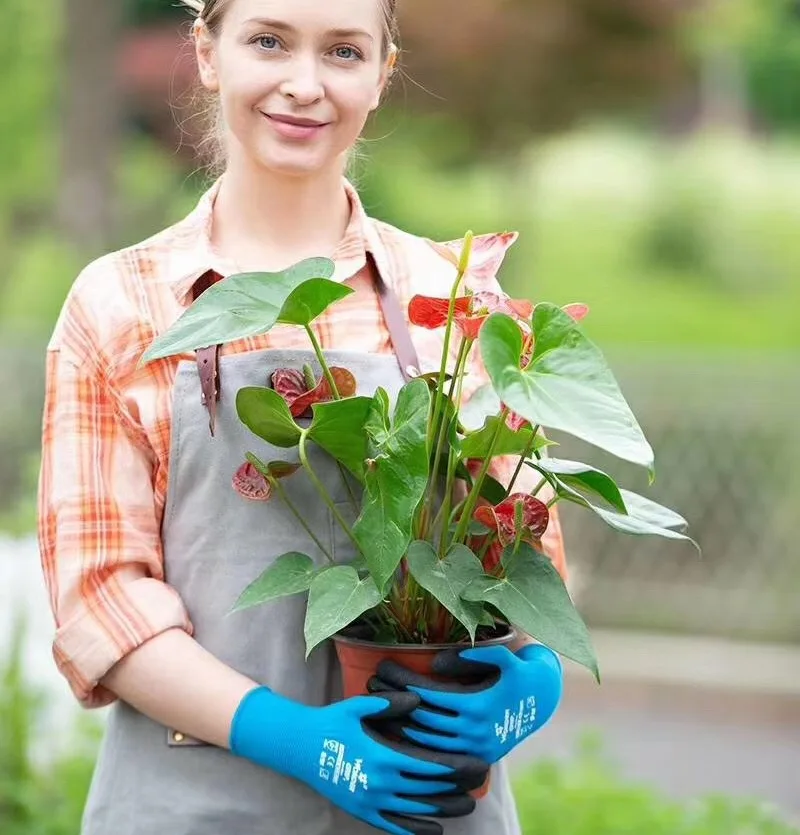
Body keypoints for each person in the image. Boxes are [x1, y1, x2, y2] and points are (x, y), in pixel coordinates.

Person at [37, 1, 567, 833]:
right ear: (208, 53)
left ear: (383, 75)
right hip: (195, 804)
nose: (304, 84)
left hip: (428, 798)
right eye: (269, 41)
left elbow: (524, 547)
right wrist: (294, 738)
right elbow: (102, 599)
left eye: (344, 52)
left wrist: (533, 680)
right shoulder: (122, 305)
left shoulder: (452, 298)